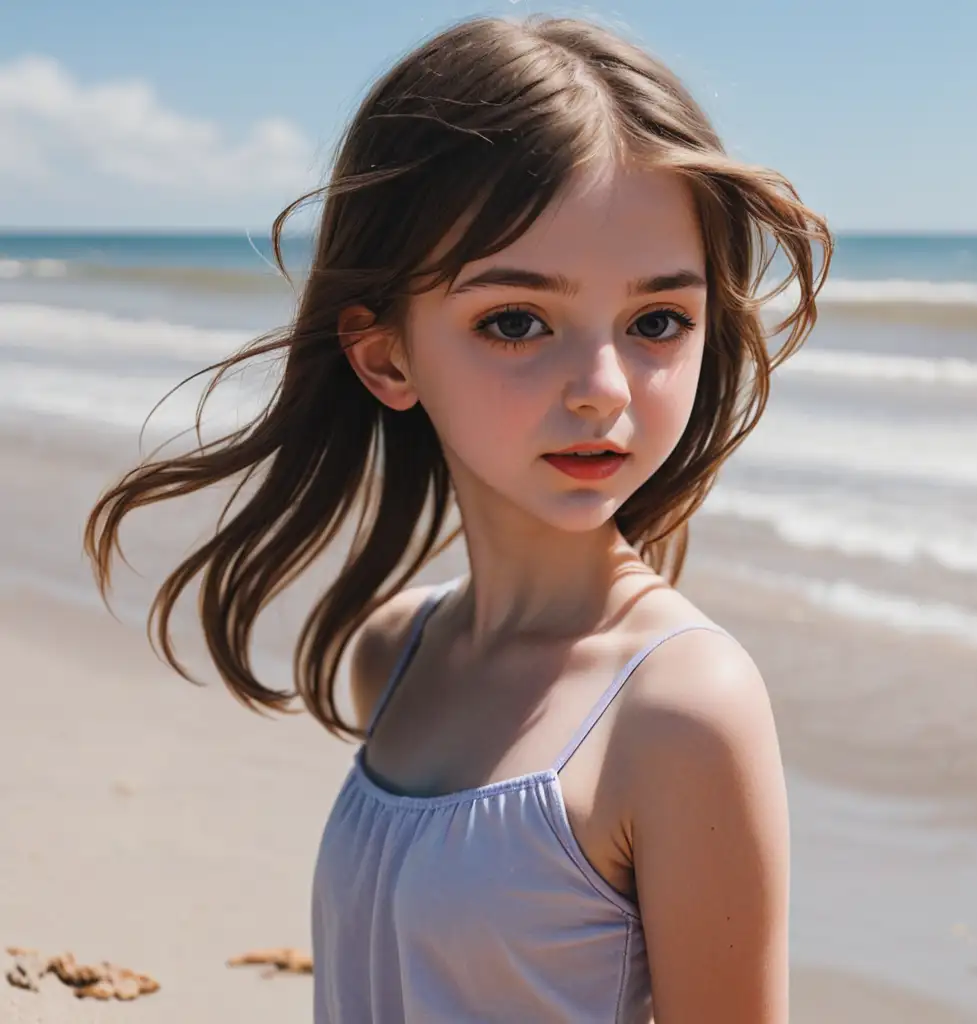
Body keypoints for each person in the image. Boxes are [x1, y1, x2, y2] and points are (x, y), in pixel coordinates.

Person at [85, 14, 831, 1023]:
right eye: (516, 321)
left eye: (658, 320)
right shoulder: (393, 651)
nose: (603, 389)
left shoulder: (681, 710)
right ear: (386, 356)